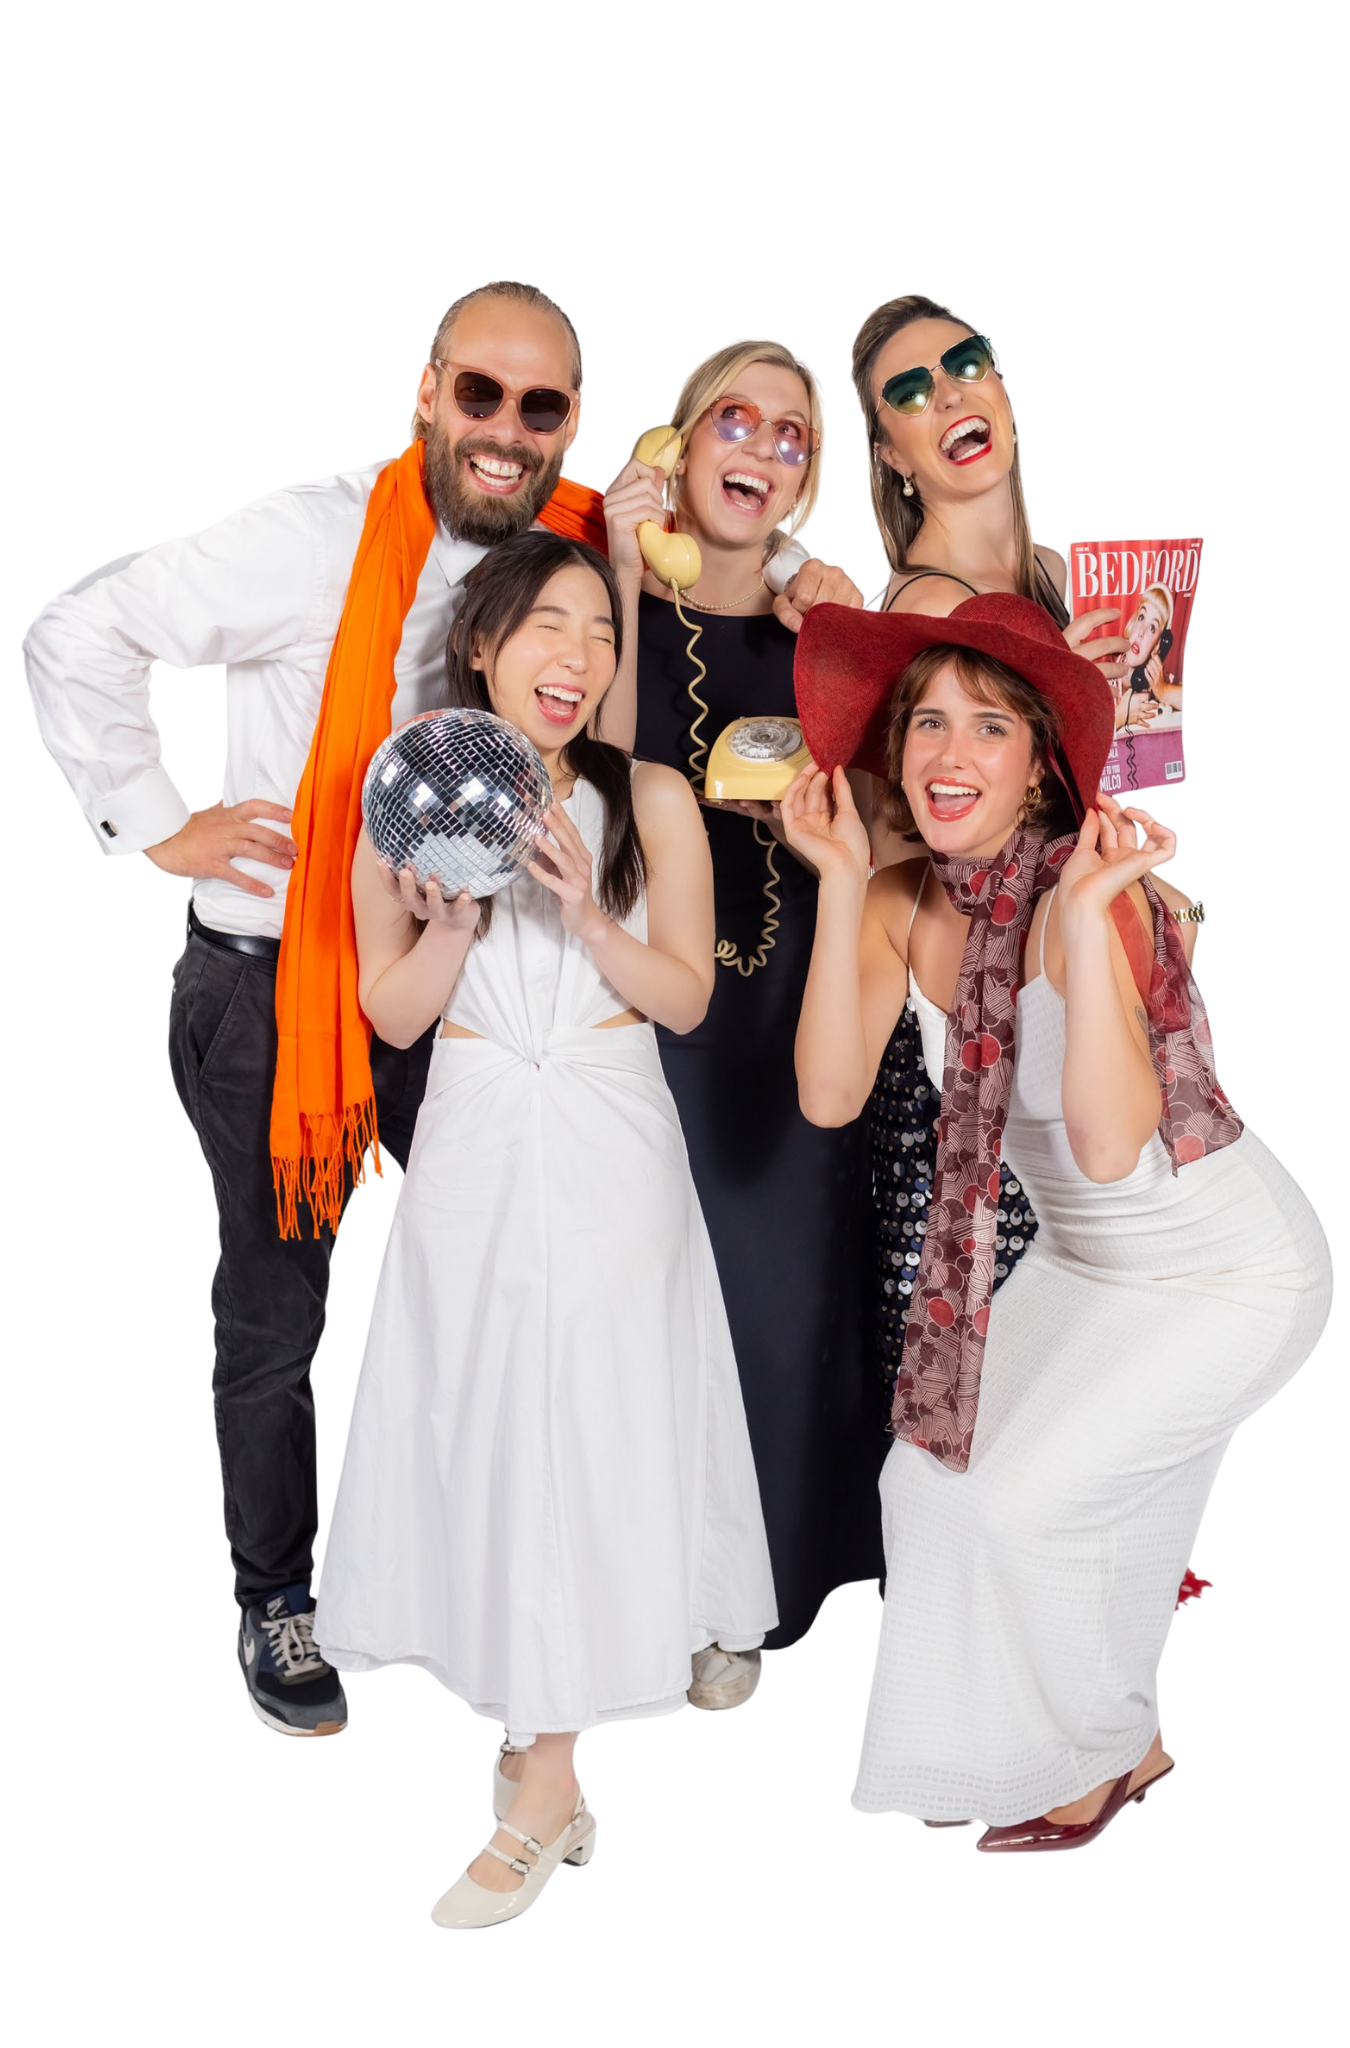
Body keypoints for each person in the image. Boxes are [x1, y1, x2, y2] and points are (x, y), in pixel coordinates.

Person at [20, 279, 613, 1737]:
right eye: (480, 394)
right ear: (427, 393)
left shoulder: (575, 552)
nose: (505, 429)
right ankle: (276, 1593)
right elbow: (74, 632)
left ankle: (456, 1584)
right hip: (280, 996)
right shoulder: (309, 534)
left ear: (569, 428)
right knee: (278, 1334)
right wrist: (158, 824)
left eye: (539, 408)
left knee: (475, 1299)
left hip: (476, 985)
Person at [787, 592, 1333, 1848]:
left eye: (986, 726)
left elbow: (1105, 1139)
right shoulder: (891, 899)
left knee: (1027, 1506)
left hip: (1224, 1269)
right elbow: (826, 1093)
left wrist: (1083, 925)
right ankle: (1116, 1742)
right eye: (925, 723)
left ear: (1039, 763)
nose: (947, 754)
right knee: (924, 1488)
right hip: (1093, 1266)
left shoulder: (1094, 891)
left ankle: (1092, 1767)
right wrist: (832, 882)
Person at [311, 531, 776, 1928]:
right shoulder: (402, 795)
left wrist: (581, 910)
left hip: (608, 1130)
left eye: (597, 634)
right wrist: (449, 922)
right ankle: (544, 1792)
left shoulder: (648, 799)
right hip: (467, 1139)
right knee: (492, 1431)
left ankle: (536, 1795)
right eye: (545, 629)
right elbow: (392, 1013)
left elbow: (686, 996)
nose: (575, 659)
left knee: (588, 1431)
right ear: (481, 646)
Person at [599, 339, 881, 1709]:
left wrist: (837, 616)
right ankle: (637, 1577)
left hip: (787, 1005)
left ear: (801, 483)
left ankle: (756, 1601)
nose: (758, 446)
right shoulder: (602, 607)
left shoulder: (823, 629)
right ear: (679, 444)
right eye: (732, 418)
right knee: (641, 1308)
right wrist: (610, 558)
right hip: (634, 1009)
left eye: (790, 434)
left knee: (775, 1307)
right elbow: (582, 752)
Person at [849, 292, 1134, 1399]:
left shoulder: (1068, 593)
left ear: (1006, 388)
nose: (950, 393)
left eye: (965, 363)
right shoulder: (918, 611)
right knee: (1014, 1432)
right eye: (909, 392)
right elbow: (901, 863)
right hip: (970, 1098)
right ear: (894, 454)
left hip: (1082, 1050)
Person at [1112, 583, 1181, 730]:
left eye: (1152, 628)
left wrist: (1164, 692)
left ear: (1157, 646)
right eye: (1141, 617)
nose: (1141, 632)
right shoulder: (1103, 673)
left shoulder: (1160, 682)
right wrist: (1118, 718)